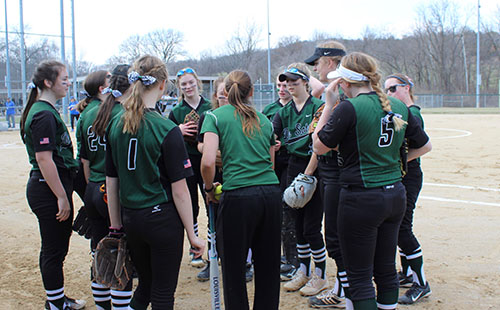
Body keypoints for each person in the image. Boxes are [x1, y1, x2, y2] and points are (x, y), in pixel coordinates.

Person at [313, 52, 432, 310]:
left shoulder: (349, 107)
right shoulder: (398, 106)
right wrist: (394, 163)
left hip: (361, 198)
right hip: (394, 194)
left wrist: (329, 104)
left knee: (359, 275)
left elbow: (318, 145)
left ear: (345, 82)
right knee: (386, 269)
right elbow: (425, 146)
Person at [105, 55, 204, 310]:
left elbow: (111, 180)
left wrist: (116, 224)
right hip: (161, 220)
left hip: (132, 219)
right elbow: (180, 190)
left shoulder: (116, 124)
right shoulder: (166, 128)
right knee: (162, 293)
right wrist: (193, 235)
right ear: (162, 84)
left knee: (146, 287)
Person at [200, 70, 281, 310]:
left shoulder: (214, 117)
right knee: (268, 265)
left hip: (238, 197)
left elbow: (206, 161)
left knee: (234, 267)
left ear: (224, 92)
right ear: (252, 92)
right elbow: (270, 163)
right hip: (269, 194)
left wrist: (208, 187)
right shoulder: (264, 119)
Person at [20, 60, 86, 310]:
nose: (68, 83)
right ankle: (56, 303)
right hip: (47, 189)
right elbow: (44, 158)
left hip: (50, 186)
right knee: (53, 249)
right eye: (64, 79)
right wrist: (61, 196)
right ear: (48, 83)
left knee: (57, 247)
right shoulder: (43, 114)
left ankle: (56, 298)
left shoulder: (43, 110)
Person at [78, 66, 134, 310]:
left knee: (99, 254)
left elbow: (84, 162)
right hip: (111, 192)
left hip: (93, 188)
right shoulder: (123, 114)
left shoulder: (88, 113)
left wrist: (92, 186)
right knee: (121, 256)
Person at [273, 63, 328, 297]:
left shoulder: (318, 106)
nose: (290, 85)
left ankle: (321, 276)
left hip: (314, 169)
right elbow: (272, 137)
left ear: (306, 82)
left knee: (312, 226)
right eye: (287, 81)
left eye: (295, 81)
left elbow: (319, 146)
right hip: (293, 168)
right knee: (297, 225)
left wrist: (307, 175)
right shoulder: (283, 112)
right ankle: (303, 270)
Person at [305, 41, 349, 308]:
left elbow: (320, 141)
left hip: (339, 173)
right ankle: (342, 287)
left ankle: (344, 292)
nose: (315, 67)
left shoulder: (339, 94)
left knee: (337, 236)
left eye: (318, 63)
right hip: (335, 173)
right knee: (338, 235)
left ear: (331, 63)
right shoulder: (336, 91)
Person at [384, 73, 432, 304]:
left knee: (403, 229)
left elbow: (423, 147)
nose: (389, 94)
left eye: (393, 88)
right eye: (386, 90)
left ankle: (421, 283)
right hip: (402, 176)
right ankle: (407, 272)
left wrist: (399, 163)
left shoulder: (412, 113)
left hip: (409, 177)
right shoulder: (401, 112)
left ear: (406, 88)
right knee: (398, 226)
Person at [168, 67, 212, 268]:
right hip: (185, 163)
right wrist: (178, 130)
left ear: (197, 82)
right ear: (179, 88)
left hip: (207, 160)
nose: (188, 87)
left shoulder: (210, 106)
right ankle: (195, 250)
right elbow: (165, 138)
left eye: (190, 82)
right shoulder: (176, 112)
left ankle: (213, 248)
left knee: (212, 200)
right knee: (191, 205)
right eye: (183, 84)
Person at [262, 75, 298, 281]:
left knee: (289, 210)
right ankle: (276, 254)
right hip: (272, 164)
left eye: (286, 85)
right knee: (273, 209)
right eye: (279, 85)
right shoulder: (269, 110)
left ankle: (292, 257)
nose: (282, 89)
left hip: (289, 161)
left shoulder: (296, 107)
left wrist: (281, 143)